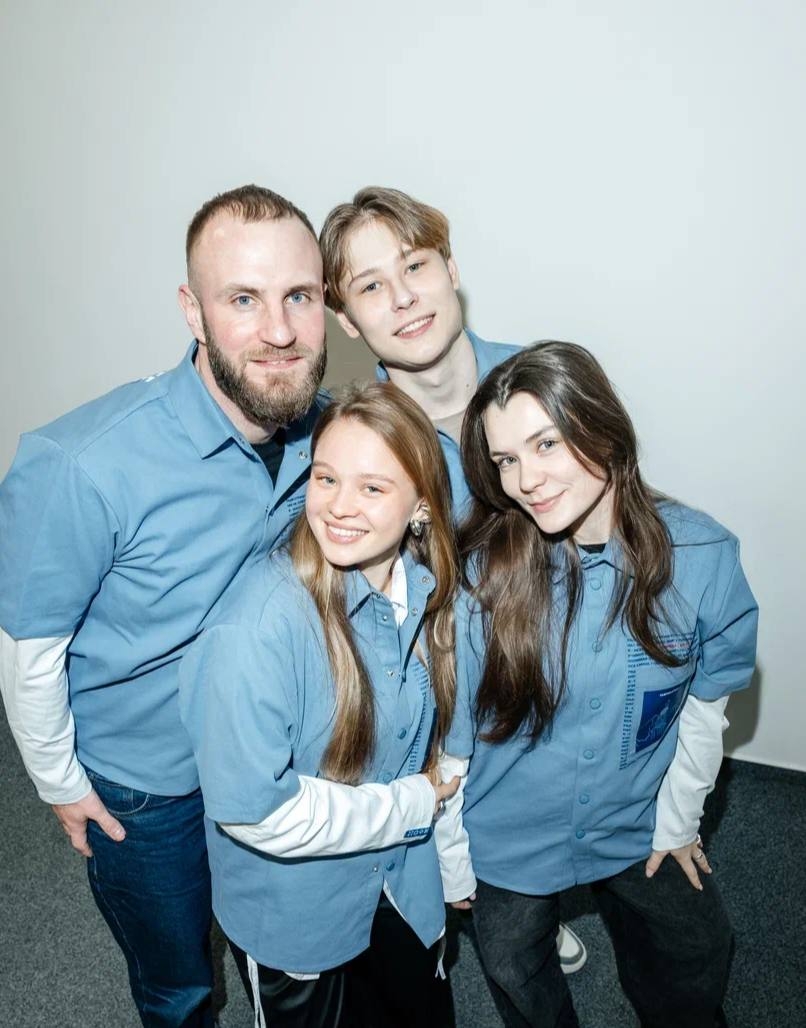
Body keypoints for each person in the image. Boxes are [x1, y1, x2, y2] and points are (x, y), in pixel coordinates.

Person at [0, 184, 329, 1027]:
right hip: (149, 790)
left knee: (286, 946)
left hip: (275, 751)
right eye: (243, 300)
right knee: (179, 982)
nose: (279, 330)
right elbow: (27, 650)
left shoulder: (328, 438)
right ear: (193, 312)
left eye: (299, 295)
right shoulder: (82, 465)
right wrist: (60, 784)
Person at [319, 186, 587, 973]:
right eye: (371, 286)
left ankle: (533, 896)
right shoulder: (359, 437)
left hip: (554, 659)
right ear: (347, 320)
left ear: (451, 269)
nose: (403, 298)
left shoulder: (542, 384)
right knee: (482, 903)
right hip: (443, 691)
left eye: (415, 266)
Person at [453, 341, 758, 1028]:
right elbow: (451, 742)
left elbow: (704, 708)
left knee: (698, 948)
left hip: (637, 818)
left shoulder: (704, 556)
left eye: (546, 444)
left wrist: (679, 821)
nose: (526, 479)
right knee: (512, 963)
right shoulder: (482, 575)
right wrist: (448, 852)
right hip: (509, 835)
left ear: (602, 428)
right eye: (505, 460)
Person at [177, 381, 471, 1027]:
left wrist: (450, 863)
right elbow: (258, 813)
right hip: (298, 918)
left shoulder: (429, 593)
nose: (338, 507)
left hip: (401, 884)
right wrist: (412, 805)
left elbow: (444, 750)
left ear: (421, 506)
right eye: (326, 477)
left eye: (372, 487)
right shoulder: (254, 631)